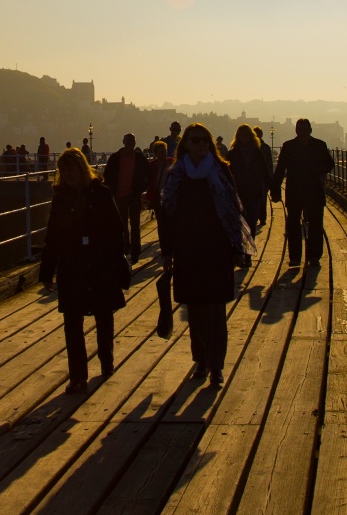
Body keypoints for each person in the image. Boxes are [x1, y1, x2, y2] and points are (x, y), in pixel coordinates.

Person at [160, 123, 252, 387]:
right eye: (195, 140)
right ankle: (201, 358)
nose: (200, 145)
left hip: (216, 248)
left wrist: (237, 247)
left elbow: (233, 208)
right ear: (186, 144)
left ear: (209, 144)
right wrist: (167, 252)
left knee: (214, 310)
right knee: (195, 309)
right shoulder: (177, 174)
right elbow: (168, 214)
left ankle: (215, 365)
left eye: (204, 140)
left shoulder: (220, 170)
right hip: (188, 249)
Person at [39, 147, 129, 395]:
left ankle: (106, 361)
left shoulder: (101, 193)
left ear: (81, 168)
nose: (67, 173)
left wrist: (115, 258)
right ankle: (78, 376)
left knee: (103, 314)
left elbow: (116, 228)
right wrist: (47, 271)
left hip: (99, 262)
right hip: (72, 264)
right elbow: (53, 236)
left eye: (71, 168)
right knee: (72, 321)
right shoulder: (61, 198)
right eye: (63, 169)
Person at [273, 118, 334, 267]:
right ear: (296, 131)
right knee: (293, 224)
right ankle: (295, 257)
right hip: (297, 190)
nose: (302, 133)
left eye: (304, 130)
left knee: (315, 224)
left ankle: (314, 256)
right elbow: (280, 170)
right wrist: (275, 190)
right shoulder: (289, 147)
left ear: (310, 130)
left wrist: (317, 171)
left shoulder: (319, 145)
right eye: (300, 131)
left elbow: (329, 164)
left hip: (313, 190)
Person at [102, 133, 151, 265]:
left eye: (132, 140)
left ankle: (134, 252)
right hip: (119, 195)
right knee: (121, 225)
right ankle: (124, 249)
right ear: (123, 141)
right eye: (128, 140)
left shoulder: (139, 158)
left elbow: (148, 174)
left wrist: (140, 187)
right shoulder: (115, 158)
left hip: (133, 195)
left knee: (135, 225)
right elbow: (107, 176)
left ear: (135, 142)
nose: (130, 143)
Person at [146, 138, 176, 337]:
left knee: (166, 224)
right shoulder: (153, 165)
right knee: (162, 223)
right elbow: (149, 182)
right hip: (158, 197)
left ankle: (167, 247)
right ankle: (166, 247)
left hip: (170, 196)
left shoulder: (171, 163)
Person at [228, 124, 272, 242]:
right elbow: (227, 174)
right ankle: (241, 249)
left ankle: (248, 251)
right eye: (241, 135)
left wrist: (273, 188)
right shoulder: (232, 154)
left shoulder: (257, 153)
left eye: (245, 135)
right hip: (238, 192)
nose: (243, 138)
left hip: (253, 192)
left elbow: (265, 172)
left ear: (250, 137)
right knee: (240, 222)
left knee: (251, 221)